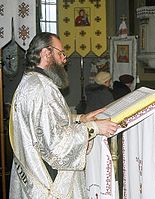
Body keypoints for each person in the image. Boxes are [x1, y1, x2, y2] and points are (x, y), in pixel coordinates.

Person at [9, 32, 118, 198]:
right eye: (60, 54)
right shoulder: (41, 88)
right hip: (48, 182)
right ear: (46, 53)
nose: (64, 59)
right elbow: (55, 145)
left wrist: (80, 119)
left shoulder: (32, 82)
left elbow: (44, 123)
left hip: (33, 170)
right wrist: (94, 128)